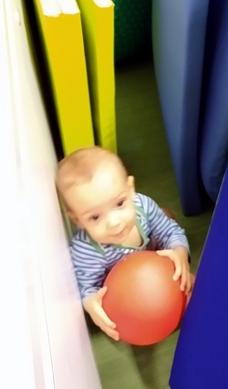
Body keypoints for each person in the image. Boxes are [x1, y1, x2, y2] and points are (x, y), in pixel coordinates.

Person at [56, 146, 192, 341]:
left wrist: (180, 252)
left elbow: (171, 232)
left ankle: (163, 216)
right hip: (127, 290)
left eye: (120, 203)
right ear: (77, 220)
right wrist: (90, 303)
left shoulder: (142, 205)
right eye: (95, 217)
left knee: (191, 283)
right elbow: (87, 286)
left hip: (154, 261)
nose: (114, 222)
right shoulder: (87, 250)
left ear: (130, 189)